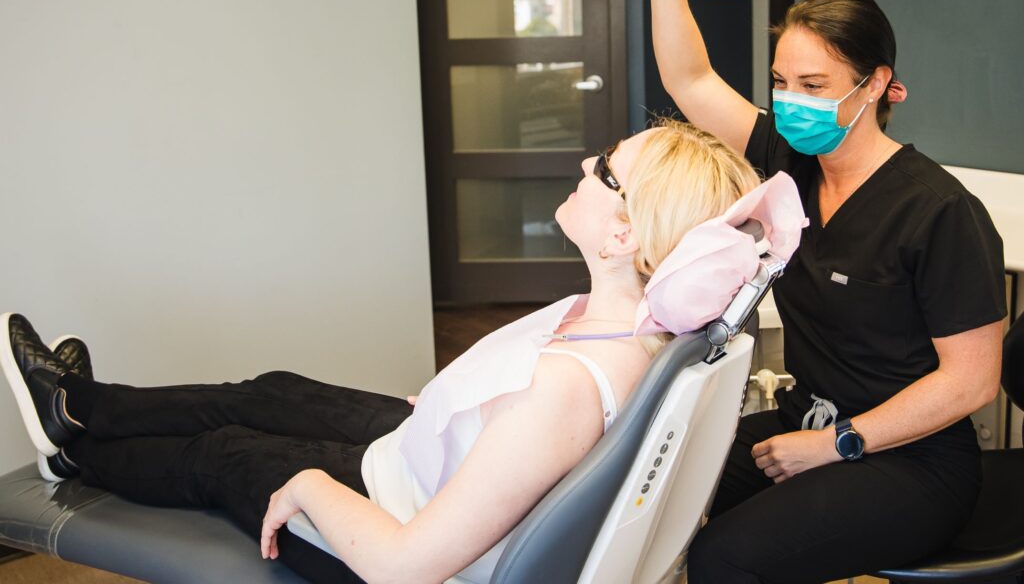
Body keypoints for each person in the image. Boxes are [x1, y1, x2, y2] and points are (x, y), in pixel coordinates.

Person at [2, 120, 793, 584]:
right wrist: (457, 407)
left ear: (624, 234)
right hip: (433, 452)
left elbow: (404, 566)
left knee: (225, 451)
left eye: (607, 170)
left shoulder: (567, 391)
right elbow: (516, 410)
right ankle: (79, 407)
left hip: (401, 521)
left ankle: (75, 460)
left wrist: (310, 482)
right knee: (266, 390)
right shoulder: (633, 318)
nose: (587, 165)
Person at [647, 0, 1006, 583]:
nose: (789, 103)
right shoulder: (792, 166)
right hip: (804, 419)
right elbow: (689, 81)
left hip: (911, 461)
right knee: (661, 484)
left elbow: (972, 381)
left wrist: (840, 444)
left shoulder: (938, 212)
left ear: (874, 85)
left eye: (813, 88)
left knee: (726, 558)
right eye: (781, 83)